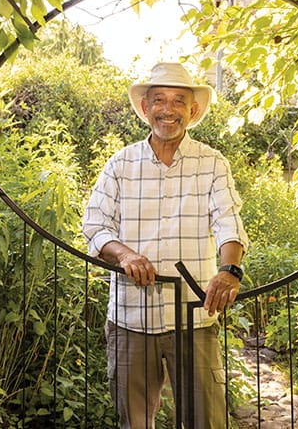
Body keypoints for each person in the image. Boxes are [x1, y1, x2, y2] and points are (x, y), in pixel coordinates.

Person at [82, 62, 248, 429]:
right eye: (159, 100)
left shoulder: (212, 163)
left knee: (207, 422)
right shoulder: (120, 164)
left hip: (193, 317)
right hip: (130, 315)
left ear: (192, 110)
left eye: (178, 101)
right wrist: (125, 254)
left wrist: (228, 270)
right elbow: (94, 224)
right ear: (146, 108)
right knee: (134, 423)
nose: (168, 110)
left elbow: (228, 222)